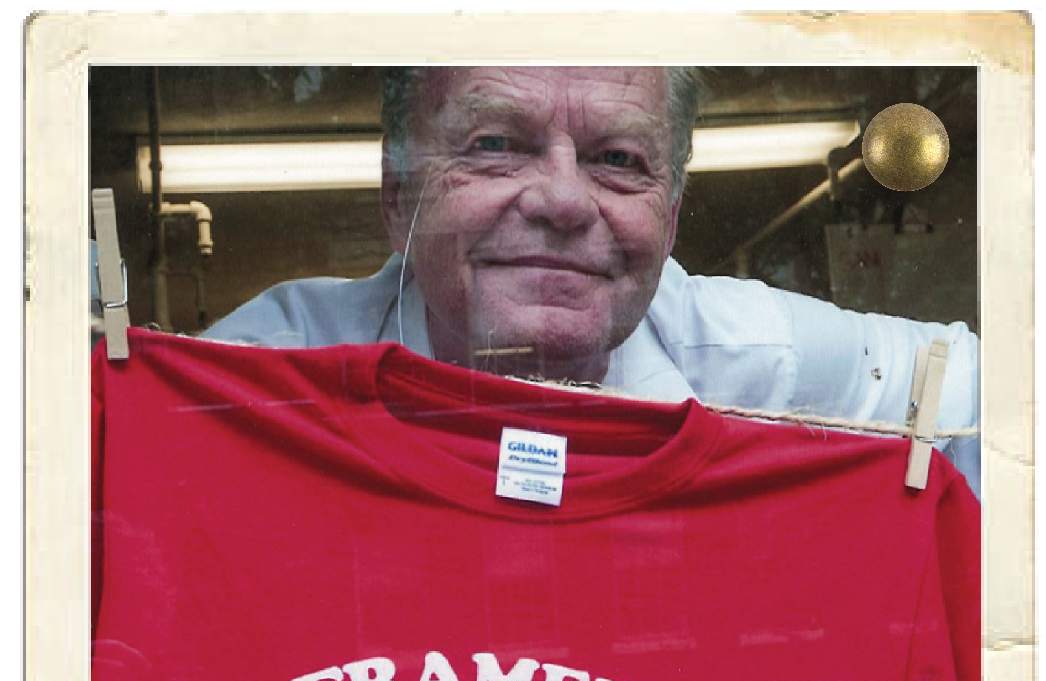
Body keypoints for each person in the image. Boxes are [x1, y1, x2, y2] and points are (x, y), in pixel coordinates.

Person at [202, 65, 980, 497]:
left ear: (670, 218)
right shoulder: (258, 381)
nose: (565, 200)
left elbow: (998, 400)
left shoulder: (751, 358)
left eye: (618, 160)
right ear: (398, 193)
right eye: (497, 142)